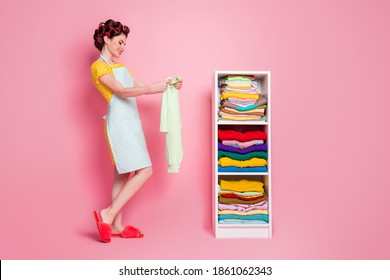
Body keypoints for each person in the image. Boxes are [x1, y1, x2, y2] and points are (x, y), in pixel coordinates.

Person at [90, 19, 182, 242]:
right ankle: (108, 214)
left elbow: (142, 87)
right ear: (106, 39)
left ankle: (116, 226)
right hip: (119, 125)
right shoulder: (98, 67)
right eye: (119, 42)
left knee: (122, 174)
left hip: (131, 123)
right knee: (145, 171)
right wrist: (151, 88)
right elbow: (122, 91)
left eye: (124, 44)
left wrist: (167, 86)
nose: (122, 47)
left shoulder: (121, 67)